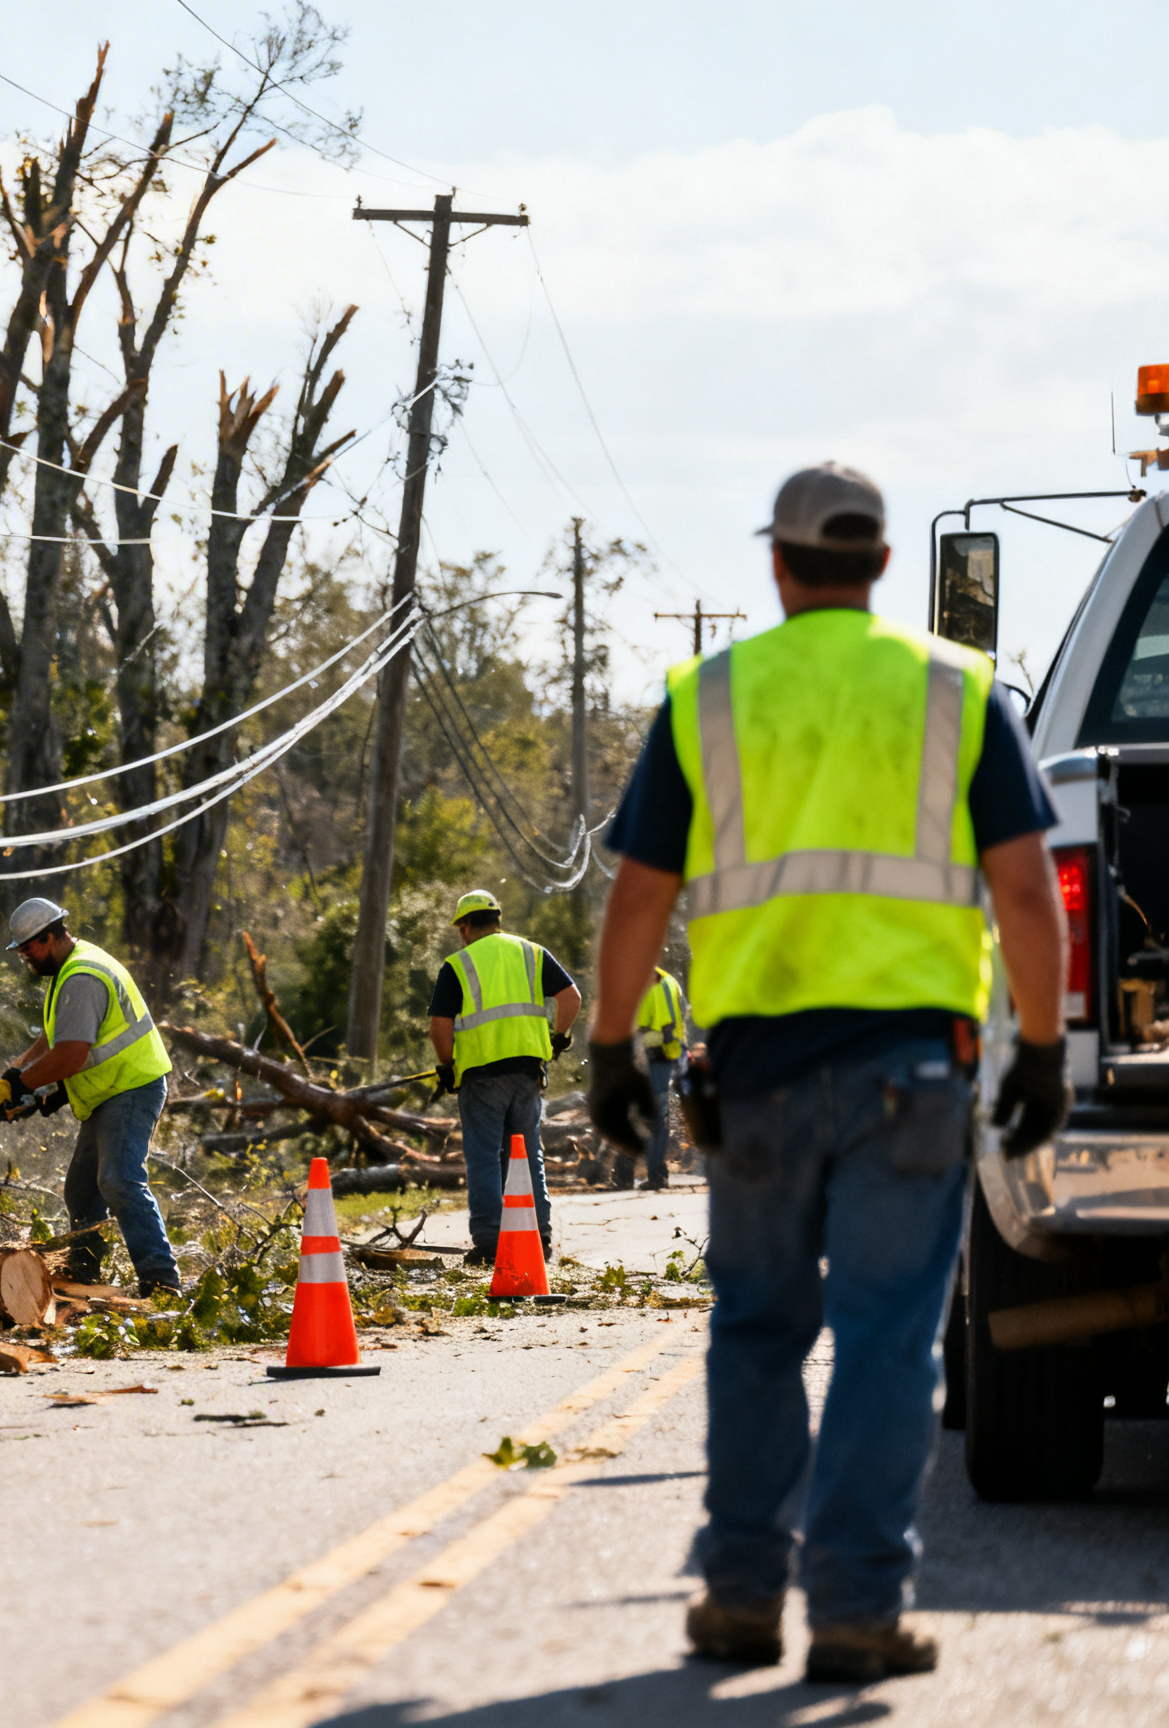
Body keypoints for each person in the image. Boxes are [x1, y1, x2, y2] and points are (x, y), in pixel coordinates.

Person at [586, 462, 1069, 1685]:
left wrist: (607, 1050)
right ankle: (855, 1610)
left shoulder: (709, 695)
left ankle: (742, 1594)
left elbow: (641, 894)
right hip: (914, 1067)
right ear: (884, 566)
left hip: (752, 1073)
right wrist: (1047, 1047)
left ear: (782, 564)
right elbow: (1023, 887)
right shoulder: (957, 693)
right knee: (887, 1340)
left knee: (754, 1329)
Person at [0, 898, 182, 1296]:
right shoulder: (70, 968)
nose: (24, 956)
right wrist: (19, 1073)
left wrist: (22, 1085)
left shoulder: (81, 977)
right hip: (109, 1089)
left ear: (52, 936)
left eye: (28, 948)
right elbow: (57, 1034)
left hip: (131, 1086)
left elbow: (72, 1054)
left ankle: (162, 1281)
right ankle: (86, 1276)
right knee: (81, 1189)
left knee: (119, 1180)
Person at [427, 890, 582, 1266]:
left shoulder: (457, 965)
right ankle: (539, 1237)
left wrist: (446, 1066)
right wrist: (557, 1039)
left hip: (481, 1077)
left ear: (465, 925)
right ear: (496, 919)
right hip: (528, 1072)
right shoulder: (531, 952)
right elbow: (572, 998)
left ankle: (491, 1243)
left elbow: (439, 1025)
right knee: (528, 1154)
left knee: (483, 1157)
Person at [631, 966, 691, 1190]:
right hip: (661, 1054)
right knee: (655, 1115)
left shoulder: (652, 981)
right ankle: (654, 1173)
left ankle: (656, 1175)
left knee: (655, 1116)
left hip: (656, 1055)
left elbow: (662, 1023)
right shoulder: (663, 980)